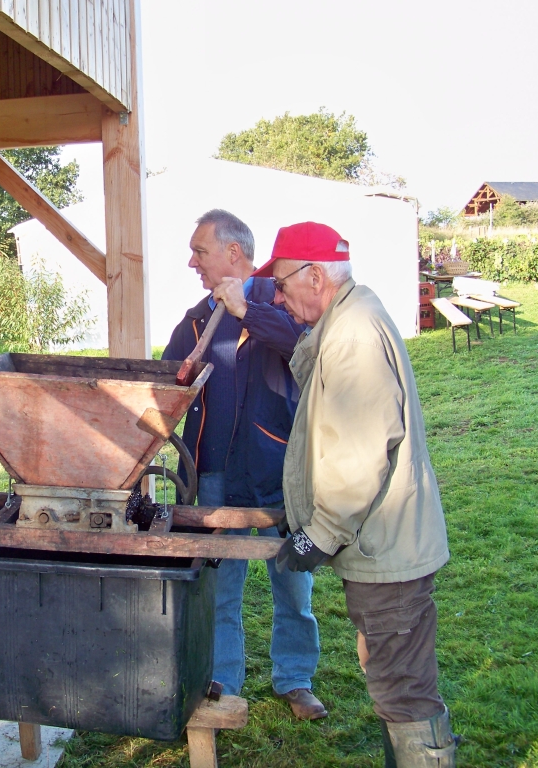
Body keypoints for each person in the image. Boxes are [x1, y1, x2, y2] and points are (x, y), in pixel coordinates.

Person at [221, 220, 456, 766]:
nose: (276, 296)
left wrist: (317, 536)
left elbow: (361, 451)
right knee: (390, 677)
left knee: (402, 689)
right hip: (381, 544)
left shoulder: (352, 334)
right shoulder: (346, 320)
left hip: (386, 549)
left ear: (316, 276)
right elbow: (311, 359)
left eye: (281, 285)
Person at [163, 209, 327, 720]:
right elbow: (165, 380)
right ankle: (223, 679)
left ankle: (295, 678)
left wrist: (244, 310)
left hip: (279, 473)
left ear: (234, 253)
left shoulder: (281, 304)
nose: (192, 261)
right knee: (220, 587)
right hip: (214, 476)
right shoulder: (196, 318)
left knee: (294, 584)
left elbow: (301, 345)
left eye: (200, 250)